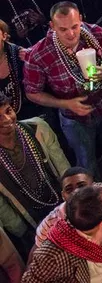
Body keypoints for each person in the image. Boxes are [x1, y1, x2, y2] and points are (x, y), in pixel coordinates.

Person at [0, 92, 69, 244]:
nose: (7, 120)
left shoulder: (37, 128)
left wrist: (73, 200)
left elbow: (63, 169)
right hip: (31, 223)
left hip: (63, 204)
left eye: (8, 111)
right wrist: (23, 232)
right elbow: (2, 207)